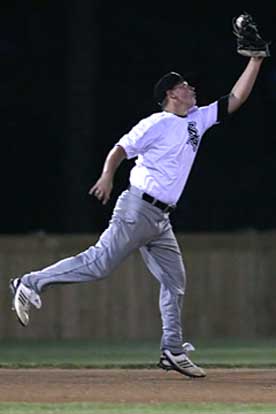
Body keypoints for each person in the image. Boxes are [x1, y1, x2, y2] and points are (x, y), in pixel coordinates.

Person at [10, 56, 265, 378]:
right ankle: (29, 282)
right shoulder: (156, 123)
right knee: (99, 263)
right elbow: (120, 149)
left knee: (175, 281)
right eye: (185, 86)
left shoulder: (196, 120)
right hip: (137, 208)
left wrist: (256, 60)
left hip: (161, 220)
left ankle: (172, 350)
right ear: (172, 94)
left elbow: (236, 99)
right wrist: (107, 175)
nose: (192, 88)